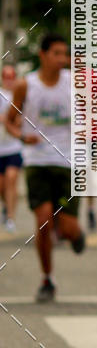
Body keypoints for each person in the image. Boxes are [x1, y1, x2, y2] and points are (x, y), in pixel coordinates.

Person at [6, 34, 85, 302]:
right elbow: (9, 120)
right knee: (43, 221)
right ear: (43, 54)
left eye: (66, 55)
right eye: (57, 54)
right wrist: (20, 136)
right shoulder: (25, 85)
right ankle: (47, 278)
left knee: (68, 229)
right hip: (37, 160)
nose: (63, 60)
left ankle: (75, 234)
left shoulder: (73, 83)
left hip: (68, 162)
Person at [0, 64, 23, 233]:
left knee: (11, 178)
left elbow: (22, 119)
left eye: (11, 76)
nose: (9, 80)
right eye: (6, 76)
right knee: (2, 185)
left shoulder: (18, 96)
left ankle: (10, 217)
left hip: (14, 147)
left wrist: (11, 121)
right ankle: (7, 205)